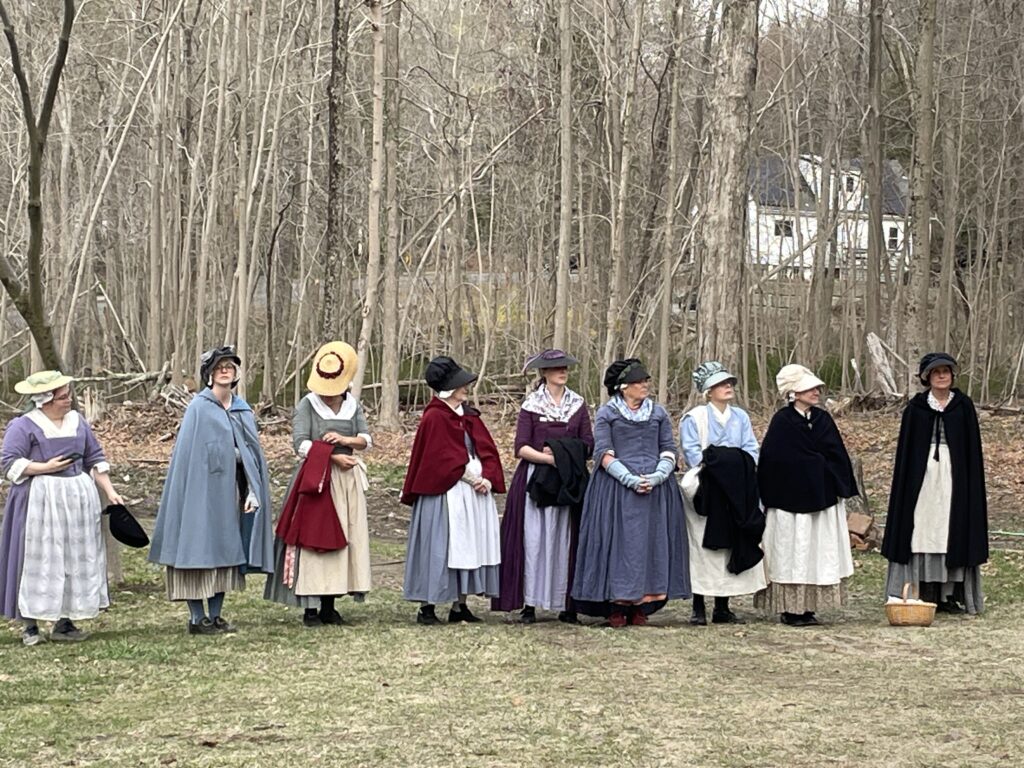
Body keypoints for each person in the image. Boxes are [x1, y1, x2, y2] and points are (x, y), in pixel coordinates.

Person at [148, 346, 274, 635]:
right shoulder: (199, 409)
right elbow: (190, 458)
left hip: (231, 494)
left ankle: (216, 614)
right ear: (209, 375)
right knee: (197, 550)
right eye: (220, 367)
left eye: (230, 366)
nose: (225, 370)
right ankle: (197, 617)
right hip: (199, 497)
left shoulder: (243, 410)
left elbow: (252, 454)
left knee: (225, 551)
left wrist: (252, 487)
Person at [0, 371, 124, 646]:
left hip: (76, 500)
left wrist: (111, 491)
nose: (69, 400)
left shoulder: (77, 422)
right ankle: (29, 624)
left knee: (72, 557)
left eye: (69, 394)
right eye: (63, 396)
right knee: (38, 557)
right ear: (45, 399)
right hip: (39, 501)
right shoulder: (24, 425)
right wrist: (44, 467)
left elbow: (94, 457)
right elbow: (9, 463)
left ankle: (64, 622)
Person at [571, 359, 690, 627]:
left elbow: (668, 448)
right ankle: (616, 605)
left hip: (655, 489)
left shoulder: (658, 413)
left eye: (645, 381)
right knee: (620, 546)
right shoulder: (607, 414)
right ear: (623, 388)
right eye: (638, 382)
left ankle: (641, 605)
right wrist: (629, 479)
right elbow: (603, 452)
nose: (644, 385)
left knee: (649, 545)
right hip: (616, 489)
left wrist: (659, 475)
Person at [265, 341, 373, 625]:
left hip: (347, 483)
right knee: (316, 540)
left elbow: (365, 439)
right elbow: (300, 444)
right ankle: (310, 607)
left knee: (344, 539)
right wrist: (332, 458)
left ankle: (330, 603)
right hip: (317, 481)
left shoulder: (352, 405)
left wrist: (345, 442)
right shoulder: (307, 405)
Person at [401, 356, 506, 624]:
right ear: (448, 388)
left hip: (474, 492)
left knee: (469, 545)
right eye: (460, 384)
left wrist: (489, 479)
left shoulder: (468, 416)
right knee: (441, 547)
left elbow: (487, 450)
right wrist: (473, 479)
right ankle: (428, 607)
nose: (465, 388)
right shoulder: (435, 418)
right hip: (445, 493)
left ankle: (460, 605)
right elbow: (440, 459)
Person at [493, 349, 593, 625]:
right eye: (557, 368)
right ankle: (530, 603)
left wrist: (562, 455)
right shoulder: (531, 405)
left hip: (568, 480)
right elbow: (521, 447)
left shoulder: (578, 404)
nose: (563, 372)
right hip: (536, 479)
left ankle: (566, 603)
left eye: (565, 367)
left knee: (565, 539)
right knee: (534, 540)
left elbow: (588, 444)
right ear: (545, 373)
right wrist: (548, 458)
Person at [882, 353, 988, 614]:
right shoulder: (916, 409)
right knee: (920, 527)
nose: (942, 376)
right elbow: (907, 453)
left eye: (946, 371)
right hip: (922, 479)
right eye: (936, 371)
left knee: (950, 528)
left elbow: (971, 450)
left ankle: (950, 593)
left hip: (955, 477)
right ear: (926, 377)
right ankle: (921, 589)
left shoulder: (963, 406)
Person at [756, 364, 857, 627]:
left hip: (821, 498)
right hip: (789, 502)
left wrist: (824, 472)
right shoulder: (782, 421)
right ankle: (790, 607)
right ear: (794, 392)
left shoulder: (823, 419)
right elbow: (774, 460)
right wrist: (809, 464)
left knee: (815, 551)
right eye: (808, 388)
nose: (816, 391)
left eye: (815, 387)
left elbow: (836, 455)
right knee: (792, 551)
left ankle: (809, 605)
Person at [679, 361, 766, 626]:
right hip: (709, 487)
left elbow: (751, 448)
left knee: (730, 541)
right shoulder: (694, 418)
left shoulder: (740, 416)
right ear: (708, 390)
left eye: (729, 383)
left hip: (737, 488)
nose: (728, 387)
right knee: (702, 545)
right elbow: (693, 453)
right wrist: (723, 464)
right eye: (721, 383)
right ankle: (698, 605)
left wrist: (734, 465)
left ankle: (722, 606)